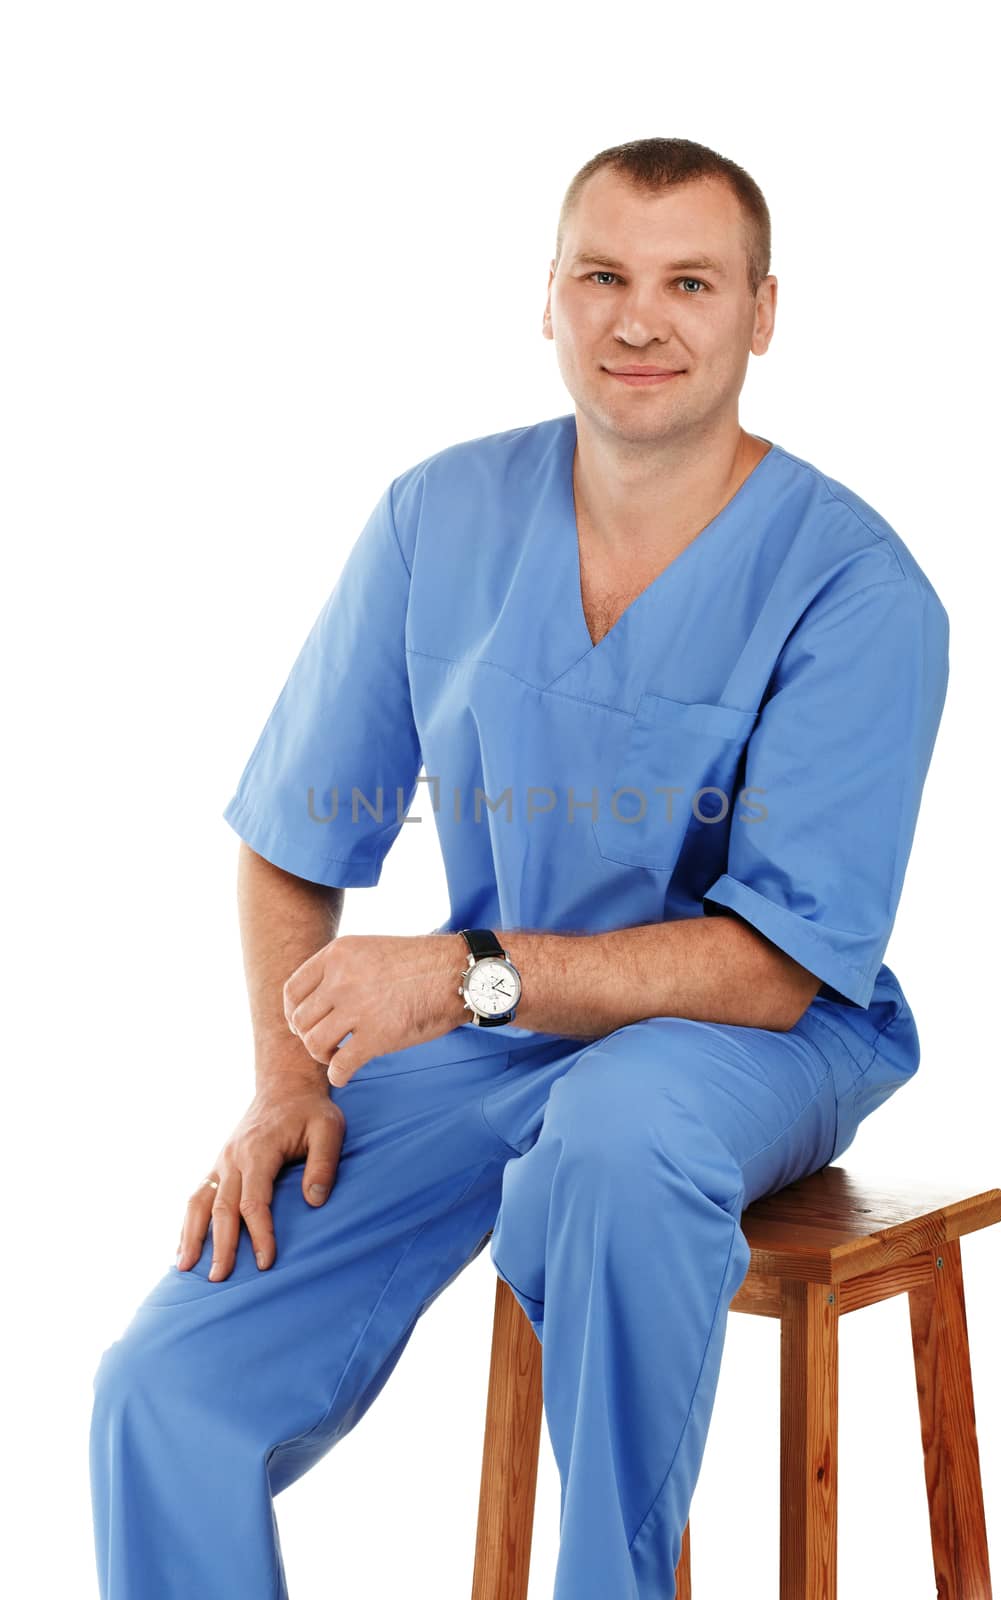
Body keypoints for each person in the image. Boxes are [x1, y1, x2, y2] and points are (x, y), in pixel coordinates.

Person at [89, 136, 951, 1600]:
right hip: (497, 1036)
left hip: (755, 1040)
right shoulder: (440, 520)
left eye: (690, 281)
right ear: (545, 297)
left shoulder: (854, 586)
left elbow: (774, 959)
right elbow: (292, 835)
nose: (638, 318)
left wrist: (463, 976)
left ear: (762, 313)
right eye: (603, 275)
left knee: (611, 1147)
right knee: (165, 1385)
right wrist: (289, 1086)